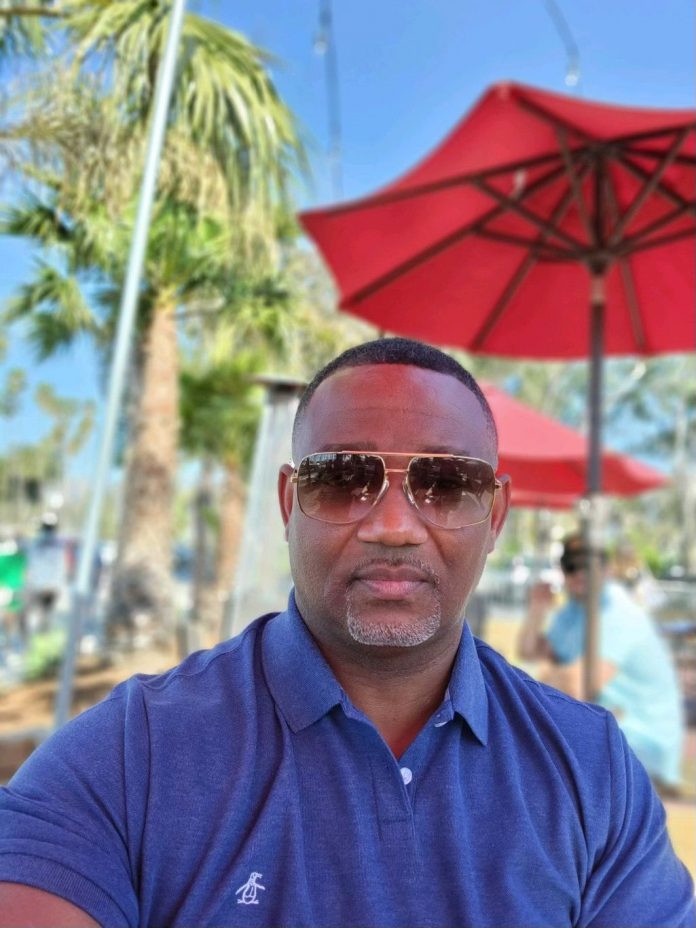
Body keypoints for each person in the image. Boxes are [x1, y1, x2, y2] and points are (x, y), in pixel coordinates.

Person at [0, 338, 693, 928]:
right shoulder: (130, 758)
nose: (393, 526)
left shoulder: (589, 767)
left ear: (496, 516)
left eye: (446, 484)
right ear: (288, 503)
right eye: (342, 479)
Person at [518, 532, 686, 795]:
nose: (579, 572)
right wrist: (537, 608)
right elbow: (529, 651)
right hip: (605, 734)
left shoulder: (619, 613)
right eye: (571, 565)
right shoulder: (573, 612)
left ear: (606, 569)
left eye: (588, 564)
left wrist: (550, 674)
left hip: (643, 751)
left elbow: (576, 686)